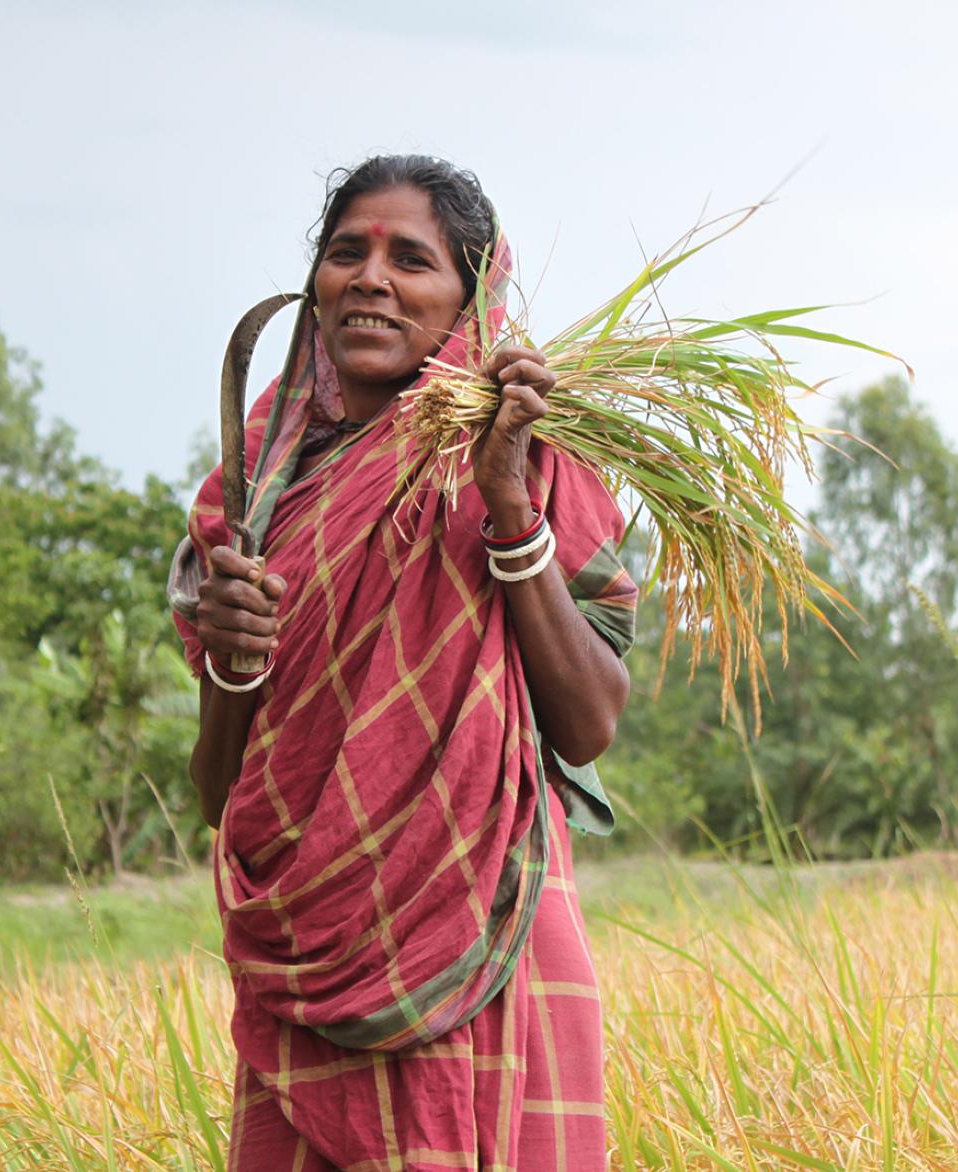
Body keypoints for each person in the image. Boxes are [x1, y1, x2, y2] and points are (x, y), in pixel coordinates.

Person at [171, 155, 637, 1171]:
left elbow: (590, 720)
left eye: (411, 259)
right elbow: (220, 790)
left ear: (471, 302)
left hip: (492, 928)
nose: (369, 278)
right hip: (308, 950)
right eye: (347, 252)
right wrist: (231, 663)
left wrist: (508, 505)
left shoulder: (537, 456)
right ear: (315, 287)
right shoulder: (252, 496)